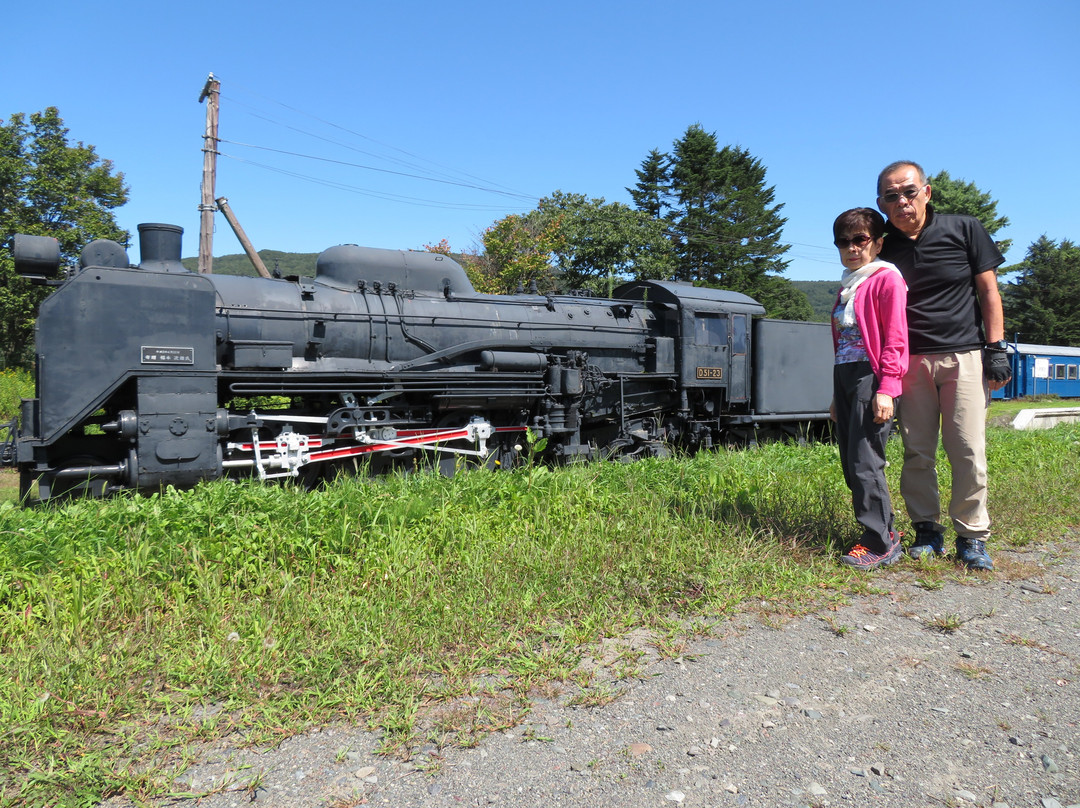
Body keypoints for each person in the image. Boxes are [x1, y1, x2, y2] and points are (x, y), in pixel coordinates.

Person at [876, 161, 1011, 571]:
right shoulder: (883, 245)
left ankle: (971, 538)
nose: (902, 201)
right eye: (891, 196)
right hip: (909, 360)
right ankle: (927, 531)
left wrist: (996, 348)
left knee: (967, 449)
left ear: (927, 192)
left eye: (909, 191)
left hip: (964, 355)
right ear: (881, 203)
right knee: (918, 451)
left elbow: (988, 291)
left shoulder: (963, 228)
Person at [829, 208, 909, 569]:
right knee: (851, 461)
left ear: (877, 243)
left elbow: (895, 338)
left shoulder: (885, 279)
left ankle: (878, 542)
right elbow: (843, 343)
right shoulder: (849, 283)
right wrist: (836, 395)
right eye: (843, 241)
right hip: (845, 375)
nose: (852, 248)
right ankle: (886, 531)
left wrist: (887, 387)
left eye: (860, 239)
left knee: (865, 461)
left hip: (870, 377)